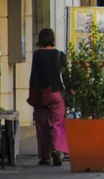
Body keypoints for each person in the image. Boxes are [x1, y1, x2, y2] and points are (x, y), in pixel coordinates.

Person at [28, 28, 69, 166]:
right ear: (53, 39)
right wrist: (69, 90)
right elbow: (66, 75)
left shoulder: (37, 55)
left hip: (41, 94)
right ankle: (56, 150)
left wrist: (31, 92)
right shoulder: (60, 55)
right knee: (56, 124)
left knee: (42, 126)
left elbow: (33, 76)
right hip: (56, 93)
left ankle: (44, 157)